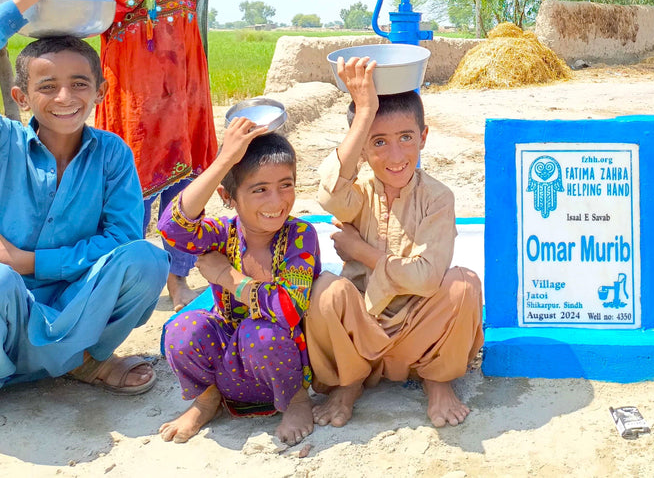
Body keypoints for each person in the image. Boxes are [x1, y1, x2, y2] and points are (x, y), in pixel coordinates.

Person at [0, 0, 168, 394]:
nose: (64, 98)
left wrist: (32, 261)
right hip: (5, 302)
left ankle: (84, 360)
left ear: (101, 90)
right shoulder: (5, 141)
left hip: (79, 300)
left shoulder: (111, 153)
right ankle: (54, 364)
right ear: (21, 98)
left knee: (147, 259)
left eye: (79, 84)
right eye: (47, 86)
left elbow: (123, 237)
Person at [81, 0, 225, 312]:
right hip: (135, 102)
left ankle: (178, 279)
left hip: (184, 96)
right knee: (131, 192)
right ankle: (128, 281)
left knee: (186, 190)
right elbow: (104, 16)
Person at [306, 57, 483, 429]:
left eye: (406, 137)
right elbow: (329, 195)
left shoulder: (437, 197)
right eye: (379, 142)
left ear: (423, 137)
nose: (396, 155)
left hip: (419, 333)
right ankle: (348, 383)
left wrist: (360, 251)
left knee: (464, 283)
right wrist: (364, 110)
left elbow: (425, 280)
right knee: (325, 288)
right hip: (360, 332)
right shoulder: (357, 194)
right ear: (363, 149)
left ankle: (437, 381)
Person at [157, 120, 319, 446]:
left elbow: (288, 310)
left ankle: (297, 402)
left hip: (281, 360)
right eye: (259, 189)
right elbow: (171, 227)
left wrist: (227, 278)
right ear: (228, 196)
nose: (276, 202)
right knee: (181, 327)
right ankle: (206, 401)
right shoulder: (220, 234)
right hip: (229, 364)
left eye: (285, 185)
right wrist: (224, 161)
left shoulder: (300, 236)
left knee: (259, 330)